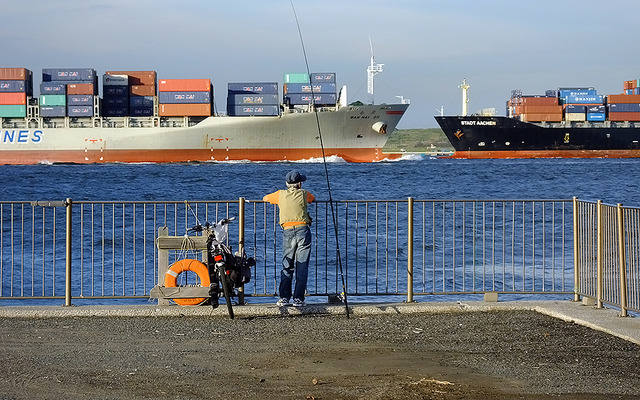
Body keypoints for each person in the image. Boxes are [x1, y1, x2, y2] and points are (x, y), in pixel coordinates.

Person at [263, 170, 315, 307]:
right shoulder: (304, 194)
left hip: (287, 231)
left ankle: (284, 297)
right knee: (302, 266)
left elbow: (265, 198)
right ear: (299, 184)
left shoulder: (279, 194)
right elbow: (313, 199)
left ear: (287, 183)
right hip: (303, 230)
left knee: (287, 265)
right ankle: (298, 299)